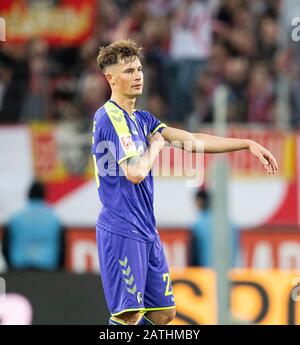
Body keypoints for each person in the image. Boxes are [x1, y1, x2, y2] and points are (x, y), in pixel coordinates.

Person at [92, 39, 278, 326]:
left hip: (145, 226)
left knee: (163, 314)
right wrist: (155, 146)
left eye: (139, 69)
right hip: (121, 225)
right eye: (128, 71)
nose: (138, 75)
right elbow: (135, 172)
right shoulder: (110, 117)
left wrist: (246, 143)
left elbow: (193, 141)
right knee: (128, 317)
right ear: (110, 78)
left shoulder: (142, 119)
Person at [3, 180, 63, 271]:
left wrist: (10, 266)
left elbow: (6, 245)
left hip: (19, 269)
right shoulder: (54, 219)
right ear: (44, 195)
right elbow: (62, 246)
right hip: (47, 269)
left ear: (28, 195)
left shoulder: (15, 218)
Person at [191, 189, 239, 267]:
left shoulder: (199, 225)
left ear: (200, 201)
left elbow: (194, 256)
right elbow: (235, 253)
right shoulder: (231, 224)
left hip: (206, 274)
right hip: (228, 272)